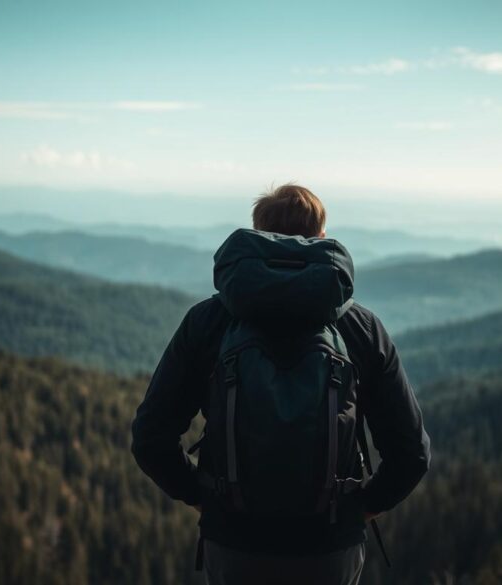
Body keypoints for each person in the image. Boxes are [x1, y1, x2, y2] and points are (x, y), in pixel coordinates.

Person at [131, 184, 431, 585]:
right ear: (321, 238)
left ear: (257, 235)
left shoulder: (208, 323)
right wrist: (361, 508)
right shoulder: (361, 328)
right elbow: (411, 453)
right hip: (329, 548)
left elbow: (151, 437)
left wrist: (205, 497)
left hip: (235, 544)